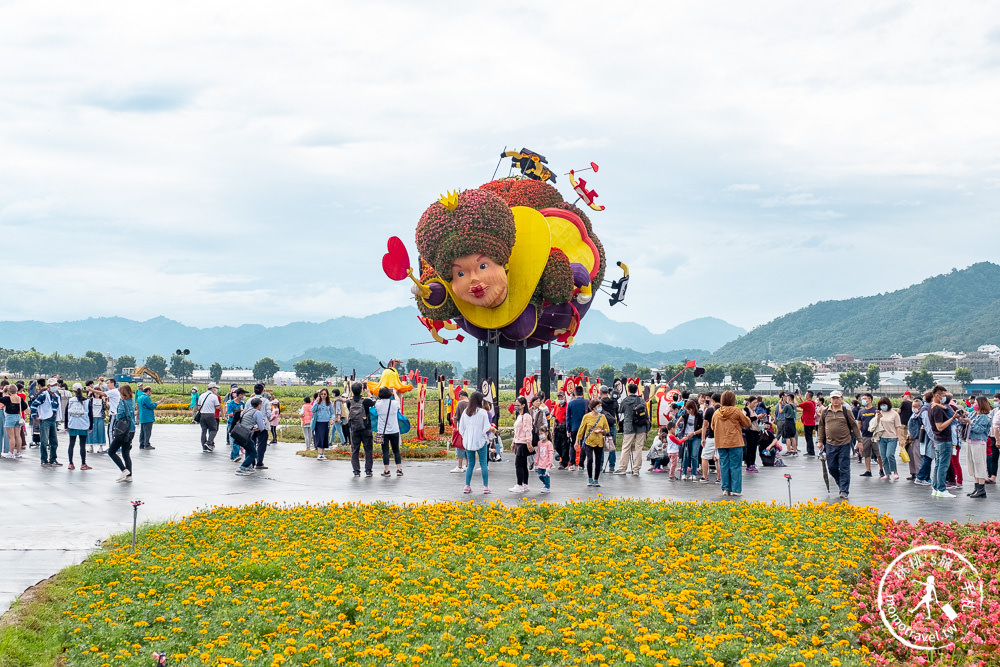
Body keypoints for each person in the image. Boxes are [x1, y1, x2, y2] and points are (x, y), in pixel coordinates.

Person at [817, 390, 862, 499]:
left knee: (844, 467)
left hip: (844, 443)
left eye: (838, 398)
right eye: (833, 398)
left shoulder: (847, 411)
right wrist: (820, 440)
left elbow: (854, 426)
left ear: (841, 399)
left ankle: (844, 490)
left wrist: (859, 441)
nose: (835, 400)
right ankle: (841, 484)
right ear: (830, 400)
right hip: (830, 444)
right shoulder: (825, 411)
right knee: (831, 467)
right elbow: (821, 426)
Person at [712, 391, 751, 497]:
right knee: (735, 466)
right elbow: (747, 423)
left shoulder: (716, 413)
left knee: (724, 465)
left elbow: (712, 427)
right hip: (735, 442)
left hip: (721, 442)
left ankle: (726, 489)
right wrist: (745, 416)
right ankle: (736, 489)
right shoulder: (736, 411)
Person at [458, 391, 494, 494]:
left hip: (468, 442)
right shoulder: (483, 412)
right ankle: (486, 487)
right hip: (480, 441)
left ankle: (467, 486)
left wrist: (467, 436)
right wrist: (481, 434)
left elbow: (461, 428)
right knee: (483, 464)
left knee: (470, 464)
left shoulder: (466, 412)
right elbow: (486, 427)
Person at [929, 386, 959, 498]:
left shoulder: (933, 407)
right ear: (937, 395)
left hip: (938, 440)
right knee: (943, 465)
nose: (944, 398)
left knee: (938, 465)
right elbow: (940, 426)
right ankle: (941, 489)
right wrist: (952, 419)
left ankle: (936, 488)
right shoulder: (937, 409)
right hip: (944, 440)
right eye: (943, 395)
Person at [616, 382, 648, 476]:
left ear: (628, 390)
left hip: (629, 426)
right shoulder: (641, 400)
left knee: (626, 447)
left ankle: (622, 468)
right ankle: (636, 470)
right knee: (639, 448)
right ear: (637, 390)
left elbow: (620, 410)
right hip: (641, 426)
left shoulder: (625, 400)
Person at [576, 399, 609, 488]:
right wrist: (577, 441)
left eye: (600, 406)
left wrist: (601, 430)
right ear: (593, 408)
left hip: (599, 442)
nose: (600, 408)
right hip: (588, 441)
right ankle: (590, 478)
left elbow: (607, 429)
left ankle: (596, 479)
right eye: (598, 406)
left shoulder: (602, 417)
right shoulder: (586, 417)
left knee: (598, 461)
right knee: (590, 459)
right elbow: (581, 429)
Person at [107, 385, 136, 482]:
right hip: (131, 429)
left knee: (111, 451)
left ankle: (124, 470)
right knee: (126, 453)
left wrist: (115, 414)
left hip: (122, 430)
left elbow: (119, 416)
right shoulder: (131, 402)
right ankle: (129, 476)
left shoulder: (122, 403)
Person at [964, 396, 992, 499]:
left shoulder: (984, 416)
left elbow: (979, 429)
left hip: (979, 442)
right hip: (971, 441)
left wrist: (970, 422)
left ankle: (981, 489)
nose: (974, 404)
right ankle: (976, 487)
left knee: (979, 465)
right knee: (973, 465)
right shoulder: (973, 414)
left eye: (976, 402)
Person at [347, 382, 376, 477]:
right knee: (368, 450)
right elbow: (374, 402)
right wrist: (369, 393)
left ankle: (356, 471)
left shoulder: (349, 402)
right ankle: (368, 470)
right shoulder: (366, 401)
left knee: (355, 450)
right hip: (366, 428)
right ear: (361, 390)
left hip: (354, 429)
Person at [31, 379, 61, 467]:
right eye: (53, 385)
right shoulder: (43, 396)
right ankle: (43, 460)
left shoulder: (56, 396)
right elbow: (34, 405)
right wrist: (34, 416)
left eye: (56, 385)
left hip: (53, 419)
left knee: (54, 441)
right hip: (45, 420)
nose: (55, 387)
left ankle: (53, 459)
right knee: (44, 441)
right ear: (48, 386)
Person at [375, 387, 404, 477]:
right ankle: (399, 469)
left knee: (385, 451)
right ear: (389, 394)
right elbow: (398, 400)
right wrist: (394, 393)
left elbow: (377, 402)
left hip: (382, 431)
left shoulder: (378, 404)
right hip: (394, 430)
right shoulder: (395, 403)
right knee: (396, 450)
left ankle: (387, 470)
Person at [872, 397, 902, 481]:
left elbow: (898, 427)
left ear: (888, 404)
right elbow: (875, 424)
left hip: (892, 437)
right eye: (881, 405)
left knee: (890, 455)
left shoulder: (894, 414)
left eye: (884, 405)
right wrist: (878, 417)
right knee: (883, 456)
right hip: (882, 437)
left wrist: (900, 438)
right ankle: (887, 473)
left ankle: (895, 472)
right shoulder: (879, 413)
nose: (882, 406)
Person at [235, 397, 266, 476]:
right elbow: (261, 428)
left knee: (249, 450)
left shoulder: (247, 410)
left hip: (239, 432)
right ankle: (242, 467)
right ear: (259, 405)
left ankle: (248, 467)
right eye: (261, 405)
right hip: (246, 434)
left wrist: (254, 428)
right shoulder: (257, 412)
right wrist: (264, 423)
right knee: (254, 453)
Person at [65, 383, 92, 470]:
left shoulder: (71, 400)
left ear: (73, 391)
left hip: (72, 424)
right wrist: (91, 426)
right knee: (82, 445)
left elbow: (66, 413)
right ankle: (83, 464)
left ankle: (70, 463)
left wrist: (66, 425)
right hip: (83, 425)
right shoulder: (87, 401)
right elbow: (90, 415)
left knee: (71, 444)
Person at [510, 396, 534, 493]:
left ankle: (519, 484)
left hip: (523, 443)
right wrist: (513, 442)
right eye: (515, 404)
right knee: (523, 464)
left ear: (523, 405)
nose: (516, 406)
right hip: (518, 442)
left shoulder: (526, 416)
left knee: (518, 464)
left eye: (518, 405)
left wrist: (529, 442)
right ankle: (525, 484)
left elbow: (528, 430)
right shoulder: (519, 416)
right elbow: (517, 431)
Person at [856, 393, 882, 478]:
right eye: (863, 398)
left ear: (870, 399)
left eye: (865, 398)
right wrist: (857, 435)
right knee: (866, 454)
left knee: (879, 453)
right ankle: (868, 470)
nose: (863, 400)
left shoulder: (876, 410)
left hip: (875, 435)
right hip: (865, 435)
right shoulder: (861, 411)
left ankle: (881, 469)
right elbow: (859, 423)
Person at [678, 399, 704, 481]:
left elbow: (703, 428)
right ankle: (684, 473)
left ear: (691, 409)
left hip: (695, 437)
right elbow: (677, 422)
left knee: (694, 455)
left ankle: (693, 473)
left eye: (688, 409)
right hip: (686, 437)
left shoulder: (699, 416)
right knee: (685, 455)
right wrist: (678, 429)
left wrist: (693, 433)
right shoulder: (685, 415)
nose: (687, 411)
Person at [0, 385, 27, 459]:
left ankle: (11, 452)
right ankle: (18, 452)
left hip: (9, 417)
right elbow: (24, 407)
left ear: (9, 391)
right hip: (17, 417)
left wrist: (2, 391)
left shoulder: (7, 398)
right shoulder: (20, 398)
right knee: (18, 436)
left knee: (11, 437)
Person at [699, 393, 720, 484]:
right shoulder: (724, 410)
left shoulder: (709, 410)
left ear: (712, 400)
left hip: (711, 437)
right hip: (721, 438)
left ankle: (705, 477)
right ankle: (719, 479)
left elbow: (705, 425)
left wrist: (703, 438)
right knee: (719, 458)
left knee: (704, 457)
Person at [566, 386, 588, 471]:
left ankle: (572, 463)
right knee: (583, 445)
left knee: (572, 445)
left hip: (573, 427)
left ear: (575, 393)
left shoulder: (570, 403)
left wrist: (568, 429)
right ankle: (581, 464)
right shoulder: (587, 402)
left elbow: (568, 417)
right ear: (583, 393)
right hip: (584, 428)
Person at [311, 388, 337, 461]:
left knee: (324, 437)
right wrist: (316, 402)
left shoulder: (329, 403)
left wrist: (332, 419)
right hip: (318, 422)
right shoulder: (317, 402)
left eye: (324, 394)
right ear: (319, 395)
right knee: (319, 437)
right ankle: (319, 453)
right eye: (322, 394)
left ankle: (322, 453)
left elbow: (332, 413)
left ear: (327, 395)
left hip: (326, 422)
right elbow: (312, 410)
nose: (323, 395)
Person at [197, 383, 221, 452]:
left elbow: (199, 407)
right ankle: (209, 442)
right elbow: (217, 407)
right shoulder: (214, 397)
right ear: (212, 388)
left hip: (202, 415)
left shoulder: (201, 395)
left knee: (204, 430)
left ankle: (203, 446)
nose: (215, 390)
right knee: (214, 429)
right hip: (210, 415)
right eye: (215, 388)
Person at [599, 386, 618, 473]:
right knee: (612, 445)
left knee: (600, 445)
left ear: (600, 392)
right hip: (611, 424)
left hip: (602, 425)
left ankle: (600, 465)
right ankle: (612, 466)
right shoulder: (613, 401)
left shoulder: (600, 402)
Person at [450, 390, 469, 473]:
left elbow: (456, 416)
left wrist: (454, 422)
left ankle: (460, 466)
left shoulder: (460, 403)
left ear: (461, 396)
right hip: (470, 429)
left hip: (462, 428)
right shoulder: (472, 403)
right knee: (468, 447)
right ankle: (468, 465)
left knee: (460, 446)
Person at [226, 388, 247, 461]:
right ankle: (236, 455)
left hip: (240, 423)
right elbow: (229, 414)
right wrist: (238, 412)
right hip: (232, 423)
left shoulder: (242, 404)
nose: (244, 396)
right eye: (243, 394)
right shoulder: (231, 403)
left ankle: (233, 455)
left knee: (238, 439)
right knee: (234, 439)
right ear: (239, 395)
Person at [87, 384, 107, 454]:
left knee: (101, 432)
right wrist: (89, 395)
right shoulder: (91, 400)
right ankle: (90, 446)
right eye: (96, 392)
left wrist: (104, 401)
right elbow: (86, 404)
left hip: (100, 417)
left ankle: (101, 446)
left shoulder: (102, 400)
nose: (97, 394)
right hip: (92, 417)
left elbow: (105, 408)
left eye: (99, 392)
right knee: (90, 432)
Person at [742, 397, 760, 473]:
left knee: (754, 449)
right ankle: (749, 464)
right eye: (754, 403)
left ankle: (752, 463)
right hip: (749, 432)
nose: (755, 404)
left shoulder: (753, 411)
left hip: (755, 431)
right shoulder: (745, 410)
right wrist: (757, 417)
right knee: (750, 448)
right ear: (749, 402)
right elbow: (746, 420)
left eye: (756, 403)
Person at [534, 426, 554, 494]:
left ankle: (547, 486)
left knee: (546, 475)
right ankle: (545, 484)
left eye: (542, 433)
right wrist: (536, 460)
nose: (540, 435)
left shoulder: (549, 444)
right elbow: (538, 452)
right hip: (541, 463)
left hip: (547, 463)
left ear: (546, 433)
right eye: (539, 434)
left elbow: (550, 453)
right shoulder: (539, 443)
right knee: (540, 474)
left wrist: (550, 462)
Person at [797, 391, 817, 456]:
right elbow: (804, 404)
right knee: (809, 437)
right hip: (811, 422)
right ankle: (810, 451)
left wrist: (794, 398)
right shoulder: (812, 402)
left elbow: (797, 405)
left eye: (805, 394)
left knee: (808, 438)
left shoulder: (808, 403)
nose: (805, 395)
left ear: (808, 395)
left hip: (808, 423)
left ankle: (810, 451)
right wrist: (800, 398)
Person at [552, 390, 568, 469]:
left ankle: (563, 462)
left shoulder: (567, 406)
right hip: (557, 428)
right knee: (557, 445)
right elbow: (554, 418)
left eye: (561, 397)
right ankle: (564, 457)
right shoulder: (556, 406)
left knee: (564, 446)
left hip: (564, 429)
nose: (560, 398)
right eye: (559, 397)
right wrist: (552, 429)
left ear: (564, 397)